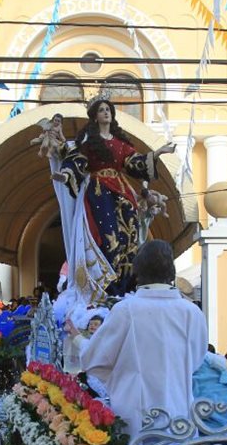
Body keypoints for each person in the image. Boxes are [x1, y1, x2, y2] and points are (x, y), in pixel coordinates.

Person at [82, 240, 208, 442]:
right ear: (171, 271)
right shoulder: (192, 312)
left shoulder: (125, 310)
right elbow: (195, 360)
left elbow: (93, 359)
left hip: (134, 414)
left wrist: (123, 379)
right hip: (179, 413)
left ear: (138, 272)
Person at [50, 97, 176, 297]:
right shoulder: (89, 143)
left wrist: (158, 153)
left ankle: (126, 286)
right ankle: (108, 286)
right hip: (99, 192)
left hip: (122, 192)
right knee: (108, 237)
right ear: (95, 116)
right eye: (101, 110)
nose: (106, 112)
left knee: (130, 237)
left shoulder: (120, 144)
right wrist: (66, 175)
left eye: (108, 109)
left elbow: (134, 162)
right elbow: (78, 160)